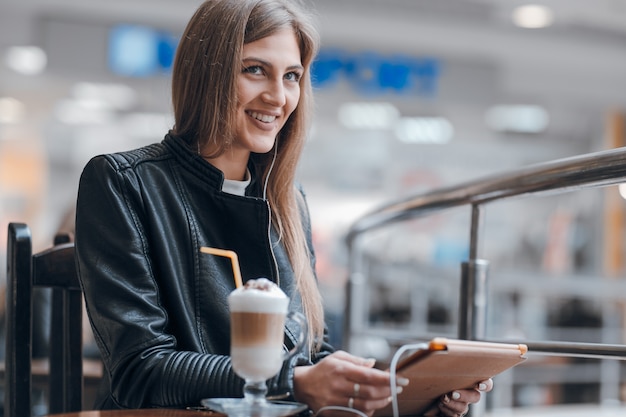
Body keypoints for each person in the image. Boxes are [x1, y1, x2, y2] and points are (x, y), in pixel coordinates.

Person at [74, 0, 492, 416]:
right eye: (255, 69)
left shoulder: (289, 203)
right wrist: (289, 381)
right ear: (207, 74)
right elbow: (139, 370)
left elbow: (313, 354)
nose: (278, 96)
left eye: (291, 76)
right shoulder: (122, 182)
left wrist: (417, 397)